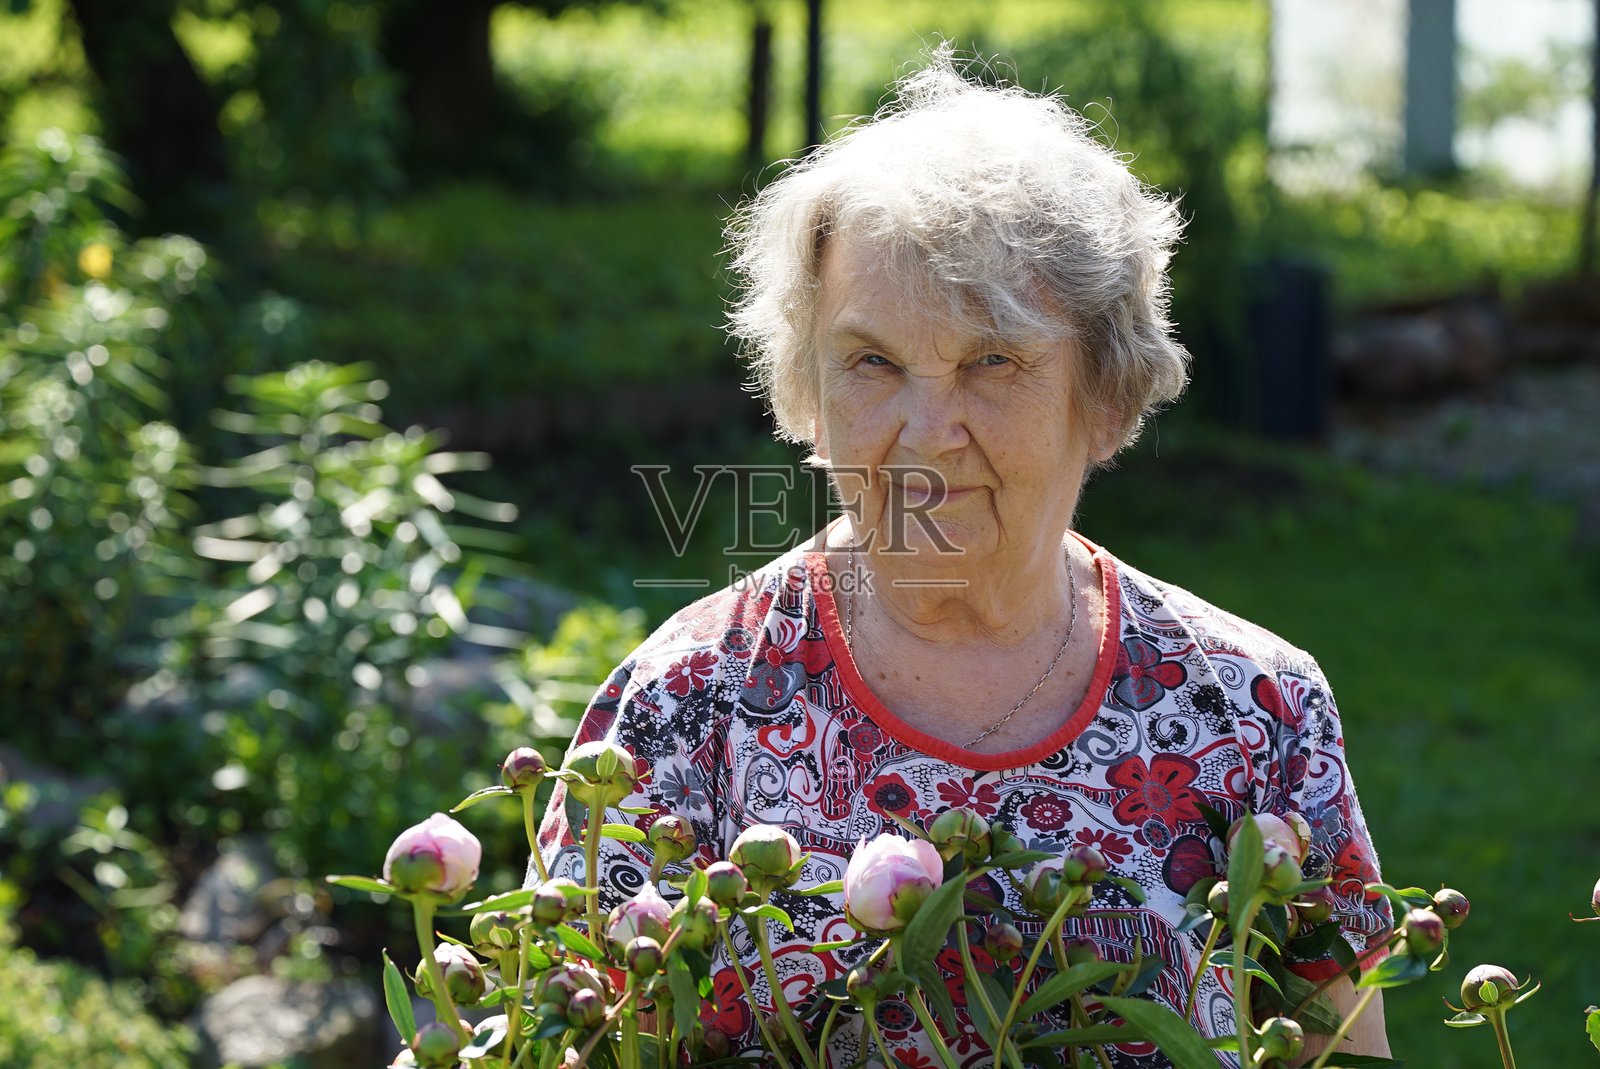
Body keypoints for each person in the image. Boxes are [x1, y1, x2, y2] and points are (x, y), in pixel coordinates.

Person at [534, 49, 1390, 1068]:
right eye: (872, 362)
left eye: (991, 361)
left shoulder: (1251, 709)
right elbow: (555, 1033)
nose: (925, 429)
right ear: (808, 386)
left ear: (1106, 394)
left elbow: (1339, 1050)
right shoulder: (693, 700)